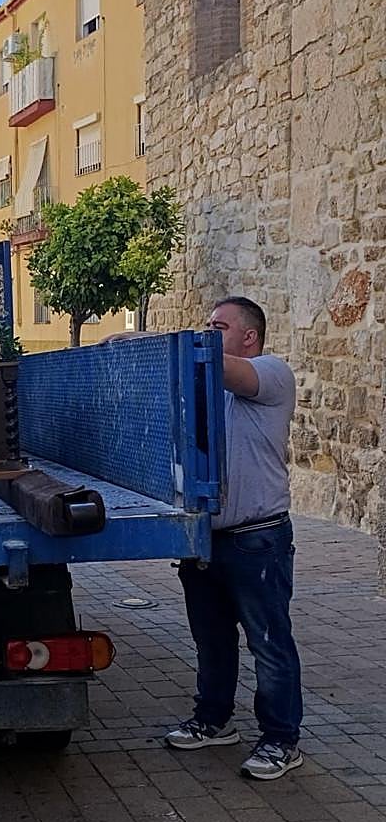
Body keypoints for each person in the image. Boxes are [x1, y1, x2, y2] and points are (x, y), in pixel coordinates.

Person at [159, 297, 303, 781]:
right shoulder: (211, 386)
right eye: (206, 326)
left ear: (249, 337)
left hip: (256, 539)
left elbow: (219, 366)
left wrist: (159, 345)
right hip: (207, 539)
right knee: (212, 641)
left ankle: (281, 739)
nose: (207, 333)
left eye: (218, 327)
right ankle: (213, 720)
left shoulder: (271, 374)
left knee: (269, 643)